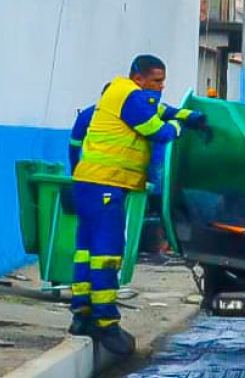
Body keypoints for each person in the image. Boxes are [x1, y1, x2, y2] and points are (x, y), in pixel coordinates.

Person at [68, 55, 210, 354]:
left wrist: (189, 115)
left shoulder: (126, 95)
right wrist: (184, 129)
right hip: (106, 186)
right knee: (106, 254)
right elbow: (159, 131)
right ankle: (106, 323)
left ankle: (82, 314)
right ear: (139, 78)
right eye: (157, 81)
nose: (161, 87)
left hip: (90, 184)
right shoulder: (130, 98)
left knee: (85, 251)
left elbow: (164, 110)